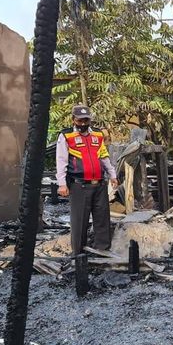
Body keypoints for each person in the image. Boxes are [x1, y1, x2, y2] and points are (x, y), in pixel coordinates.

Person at [55, 105, 119, 256]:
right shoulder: (66, 136)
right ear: (73, 120)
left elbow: (103, 156)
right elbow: (61, 160)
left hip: (99, 184)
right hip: (79, 185)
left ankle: (102, 250)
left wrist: (112, 174)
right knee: (79, 221)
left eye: (86, 120)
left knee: (102, 218)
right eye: (80, 120)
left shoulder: (97, 135)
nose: (83, 123)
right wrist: (62, 184)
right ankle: (78, 253)